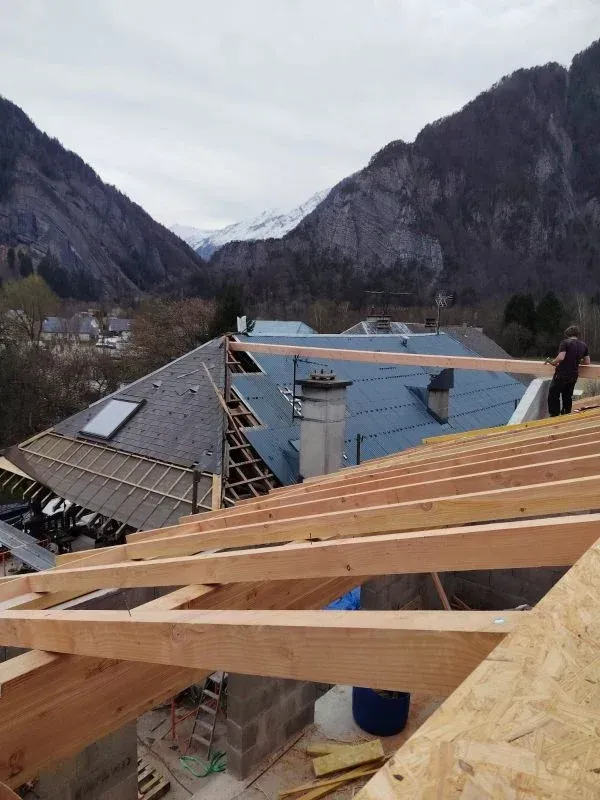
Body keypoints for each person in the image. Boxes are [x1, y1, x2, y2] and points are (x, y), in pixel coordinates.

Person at [546, 324, 590, 416]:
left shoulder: (565, 342)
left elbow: (561, 357)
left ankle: (554, 416)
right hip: (573, 376)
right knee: (567, 396)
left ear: (567, 334)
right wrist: (576, 360)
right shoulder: (584, 345)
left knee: (553, 395)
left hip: (562, 374)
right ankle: (566, 414)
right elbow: (587, 362)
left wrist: (552, 361)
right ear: (577, 334)